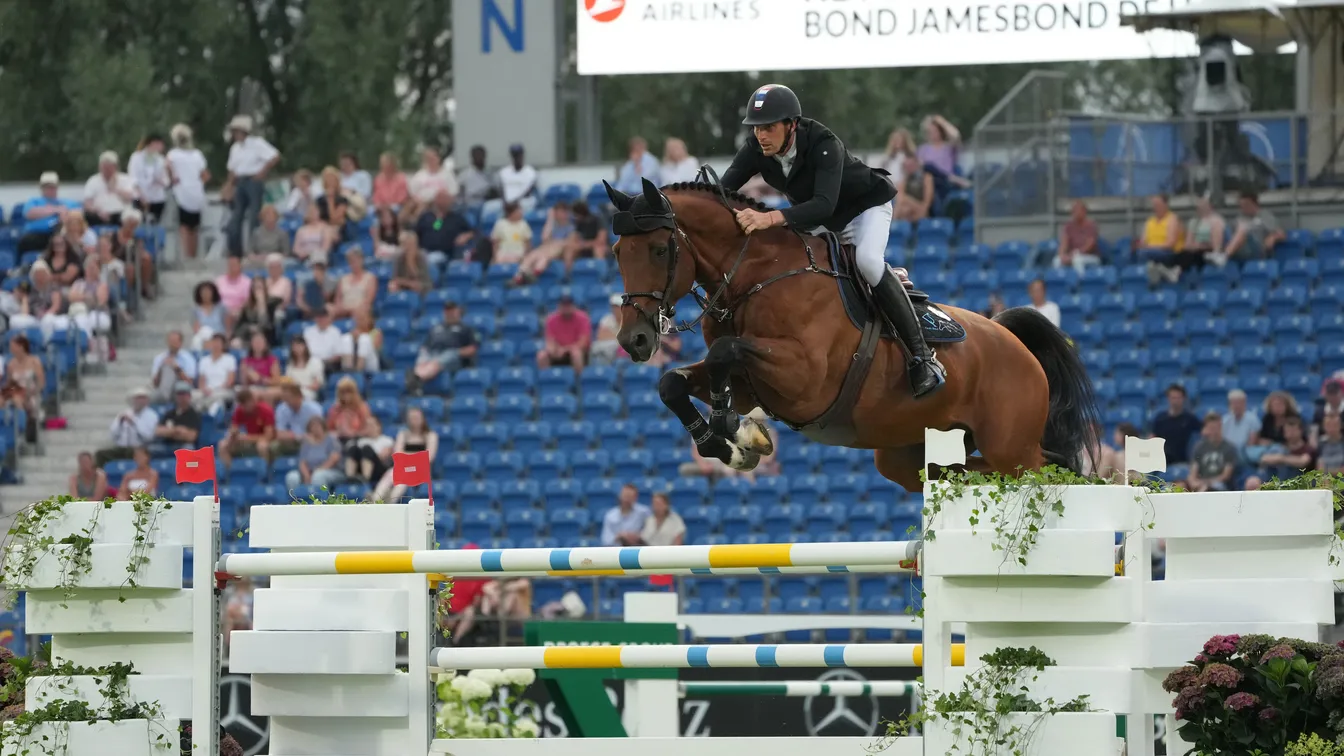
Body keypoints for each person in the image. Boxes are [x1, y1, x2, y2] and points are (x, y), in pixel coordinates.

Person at [720, 84, 944, 398]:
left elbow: (824, 204)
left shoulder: (823, 143)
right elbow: (720, 191)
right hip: (821, 221)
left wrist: (769, 218)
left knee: (867, 262)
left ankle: (922, 359)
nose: (761, 135)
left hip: (864, 209)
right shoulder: (756, 148)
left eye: (769, 127)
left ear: (792, 125)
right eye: (756, 128)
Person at [222, 115, 281, 259]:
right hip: (240, 181)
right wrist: (229, 186)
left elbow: (275, 156)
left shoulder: (257, 143)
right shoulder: (235, 148)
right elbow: (232, 169)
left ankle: (253, 250)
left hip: (253, 180)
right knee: (236, 217)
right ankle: (236, 252)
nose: (235, 134)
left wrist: (262, 172)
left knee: (255, 216)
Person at [372, 407, 439, 503]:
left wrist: (407, 455)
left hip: (421, 470)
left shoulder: (430, 435)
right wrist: (417, 456)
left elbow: (429, 457)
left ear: (423, 419)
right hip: (404, 467)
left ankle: (390, 501)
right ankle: (375, 499)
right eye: (411, 418)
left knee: (403, 476)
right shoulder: (403, 434)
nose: (414, 421)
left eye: (416, 418)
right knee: (391, 472)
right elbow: (397, 455)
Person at [409, 301, 478, 392]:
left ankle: (417, 378)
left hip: (453, 356)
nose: (450, 314)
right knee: (424, 355)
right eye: (447, 311)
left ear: (458, 312)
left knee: (443, 357)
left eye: (452, 311)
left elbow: (473, 348)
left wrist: (458, 352)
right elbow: (426, 345)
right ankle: (417, 377)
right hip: (433, 353)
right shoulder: (436, 328)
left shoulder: (465, 329)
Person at [327, 376, 385, 482]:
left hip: (358, 439)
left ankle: (359, 477)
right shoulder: (335, 409)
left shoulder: (362, 407)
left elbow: (368, 428)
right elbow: (329, 428)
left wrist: (353, 433)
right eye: (343, 392)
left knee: (353, 446)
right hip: (339, 440)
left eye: (348, 392)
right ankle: (348, 478)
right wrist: (339, 432)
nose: (346, 395)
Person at [166, 124, 210, 260]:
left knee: (184, 226)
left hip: (181, 193)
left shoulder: (172, 155)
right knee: (194, 227)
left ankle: (187, 257)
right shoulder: (197, 155)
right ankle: (193, 256)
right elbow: (205, 175)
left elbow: (168, 170)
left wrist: (174, 180)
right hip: (196, 193)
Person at [511, 202, 573, 285]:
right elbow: (544, 238)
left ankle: (527, 276)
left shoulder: (570, 227)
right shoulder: (553, 225)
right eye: (557, 212)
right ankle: (520, 277)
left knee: (545, 255)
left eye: (562, 212)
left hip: (557, 250)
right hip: (546, 249)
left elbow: (569, 242)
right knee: (534, 255)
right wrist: (550, 219)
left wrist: (556, 242)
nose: (560, 215)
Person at [95, 387, 159, 466]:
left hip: (140, 448)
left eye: (143, 398)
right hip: (122, 448)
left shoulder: (152, 415)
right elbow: (113, 435)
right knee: (100, 454)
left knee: (131, 452)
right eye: (138, 398)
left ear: (147, 400)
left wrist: (134, 422)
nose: (140, 401)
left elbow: (148, 436)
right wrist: (120, 423)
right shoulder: (124, 413)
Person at [286, 416, 345, 491]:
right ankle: (296, 498)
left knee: (318, 476)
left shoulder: (331, 439)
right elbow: (302, 462)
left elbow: (334, 459)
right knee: (292, 477)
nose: (315, 428)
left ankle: (320, 497)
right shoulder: (307, 443)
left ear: (323, 426)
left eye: (318, 425)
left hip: (331, 471)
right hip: (310, 472)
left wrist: (318, 470)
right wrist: (307, 475)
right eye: (313, 426)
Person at [536, 294, 591, 374]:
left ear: (574, 306)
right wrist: (554, 350)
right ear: (559, 306)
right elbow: (550, 342)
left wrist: (566, 349)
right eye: (564, 305)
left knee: (576, 354)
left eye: (568, 305)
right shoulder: (551, 319)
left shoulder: (582, 318)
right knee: (541, 355)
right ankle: (546, 379)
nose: (566, 308)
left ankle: (578, 380)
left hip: (576, 351)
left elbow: (583, 342)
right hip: (558, 351)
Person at [220, 388, 276, 467]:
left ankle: (265, 471)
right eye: (242, 405)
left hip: (265, 440)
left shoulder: (266, 410)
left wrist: (246, 438)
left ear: (252, 400)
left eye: (246, 404)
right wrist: (232, 434)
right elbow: (234, 428)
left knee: (262, 446)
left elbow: (268, 436)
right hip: (248, 440)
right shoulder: (239, 410)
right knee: (223, 445)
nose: (244, 408)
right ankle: (231, 471)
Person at [1226, 190, 1284, 261]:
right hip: (1239, 249)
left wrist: (1272, 237)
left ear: (1254, 204)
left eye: (1246, 205)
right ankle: (1220, 255)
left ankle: (1224, 256)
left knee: (1242, 229)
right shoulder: (1239, 218)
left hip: (1257, 249)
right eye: (1241, 206)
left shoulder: (1264, 216)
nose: (1243, 208)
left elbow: (1281, 234)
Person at [1151, 384, 1202, 465]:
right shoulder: (1160, 419)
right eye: (1173, 398)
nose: (1175, 401)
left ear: (1183, 399)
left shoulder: (1190, 419)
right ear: (1168, 399)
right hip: (1163, 460)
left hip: (1183, 461)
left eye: (1178, 398)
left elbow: (1202, 433)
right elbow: (1153, 438)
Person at [1187, 412, 1239, 492]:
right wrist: (1193, 482)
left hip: (1221, 485)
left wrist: (1207, 483)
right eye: (1211, 428)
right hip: (1202, 483)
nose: (1214, 431)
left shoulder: (1229, 448)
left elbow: (1226, 475)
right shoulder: (1199, 447)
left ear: (1220, 427)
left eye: (1215, 427)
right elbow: (1193, 471)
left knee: (1210, 487)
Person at [273, 379, 324, 458]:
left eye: (289, 398)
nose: (287, 402)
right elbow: (280, 434)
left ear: (299, 396)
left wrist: (305, 437)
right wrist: (296, 436)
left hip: (311, 440)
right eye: (285, 399)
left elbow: (319, 432)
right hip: (291, 441)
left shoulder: (314, 409)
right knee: (274, 446)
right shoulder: (282, 409)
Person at [83, 151, 136, 227]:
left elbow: (131, 198)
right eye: (104, 167)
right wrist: (98, 211)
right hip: (99, 213)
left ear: (115, 167)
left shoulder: (125, 179)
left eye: (109, 167)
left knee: (131, 216)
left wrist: (115, 188)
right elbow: (87, 204)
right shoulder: (93, 180)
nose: (106, 170)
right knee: (86, 216)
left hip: (121, 213)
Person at [151, 381, 202, 457]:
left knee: (188, 448)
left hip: (184, 445)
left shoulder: (194, 414)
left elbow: (191, 437)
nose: (181, 397)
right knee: (149, 449)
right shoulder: (170, 413)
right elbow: (158, 431)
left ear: (189, 396)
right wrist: (177, 431)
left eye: (184, 394)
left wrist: (169, 432)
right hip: (168, 444)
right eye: (179, 394)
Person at [128, 133, 170, 223]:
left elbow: (166, 181)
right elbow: (133, 178)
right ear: (152, 143)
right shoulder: (136, 157)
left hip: (157, 198)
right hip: (139, 197)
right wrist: (141, 196)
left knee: (155, 223)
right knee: (139, 222)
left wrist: (161, 181)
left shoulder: (161, 159)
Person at [196, 333, 238, 413]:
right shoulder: (203, 361)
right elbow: (201, 382)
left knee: (215, 403)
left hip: (223, 391)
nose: (216, 345)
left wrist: (215, 389)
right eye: (214, 342)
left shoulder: (230, 359)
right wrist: (204, 389)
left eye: (218, 343)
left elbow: (230, 381)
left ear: (223, 345)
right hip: (206, 391)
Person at [233, 276, 281, 347]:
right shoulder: (247, 306)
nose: (257, 291)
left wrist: (261, 304)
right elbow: (239, 326)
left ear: (264, 288)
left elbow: (266, 325)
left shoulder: (271, 304)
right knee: (235, 343)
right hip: (248, 336)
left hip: (265, 337)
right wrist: (249, 327)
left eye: (260, 287)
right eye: (255, 288)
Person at [333, 248, 378, 320]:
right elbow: (338, 299)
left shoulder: (370, 278)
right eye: (351, 261)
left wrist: (353, 310)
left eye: (356, 260)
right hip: (343, 310)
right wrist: (341, 308)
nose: (353, 264)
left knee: (364, 309)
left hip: (360, 309)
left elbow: (368, 300)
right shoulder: (343, 279)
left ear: (361, 260)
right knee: (328, 309)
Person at [1057, 200, 1100, 272]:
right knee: (1057, 261)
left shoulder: (1091, 225)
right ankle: (1059, 278)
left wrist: (1076, 253)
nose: (1075, 213)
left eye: (1077, 210)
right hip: (1072, 255)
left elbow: (1090, 245)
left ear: (1084, 211)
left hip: (1090, 256)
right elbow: (1064, 244)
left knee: (1077, 260)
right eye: (1073, 211)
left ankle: (1080, 279)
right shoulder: (1068, 226)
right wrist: (1062, 255)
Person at [303, 308, 347, 373]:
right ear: (315, 319)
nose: (321, 320)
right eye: (319, 317)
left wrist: (325, 362)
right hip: (311, 363)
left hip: (329, 363)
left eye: (323, 317)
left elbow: (338, 354)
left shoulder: (335, 332)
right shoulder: (308, 332)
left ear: (328, 318)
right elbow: (304, 351)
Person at [238, 331, 281, 398]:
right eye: (255, 342)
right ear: (251, 344)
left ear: (265, 344)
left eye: (260, 342)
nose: (258, 345)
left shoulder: (272, 360)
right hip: (251, 389)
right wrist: (246, 374)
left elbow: (276, 381)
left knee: (275, 391)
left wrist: (260, 379)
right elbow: (243, 383)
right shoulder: (245, 361)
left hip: (267, 389)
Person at [893, 154, 933, 223]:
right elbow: (900, 199)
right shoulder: (903, 180)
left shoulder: (926, 177)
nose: (909, 168)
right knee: (902, 209)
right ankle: (896, 226)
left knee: (906, 209)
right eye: (906, 166)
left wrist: (907, 200)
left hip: (920, 209)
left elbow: (927, 203)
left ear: (917, 164)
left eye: (911, 165)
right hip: (906, 210)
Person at [284, 336, 325, 401]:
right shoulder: (290, 364)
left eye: (299, 345)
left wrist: (300, 387)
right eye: (294, 346)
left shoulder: (315, 362)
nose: (297, 348)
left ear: (305, 346)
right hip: (292, 392)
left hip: (308, 392)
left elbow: (316, 385)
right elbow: (288, 382)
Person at [192, 281, 229, 352]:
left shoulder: (221, 308)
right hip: (204, 338)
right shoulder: (195, 310)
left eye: (208, 292)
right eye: (203, 293)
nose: (206, 295)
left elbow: (227, 327)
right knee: (203, 332)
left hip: (219, 336)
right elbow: (196, 329)